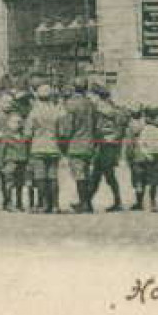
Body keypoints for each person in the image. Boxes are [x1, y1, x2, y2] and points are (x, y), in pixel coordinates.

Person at [25, 83, 65, 214]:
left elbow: (27, 133)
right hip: (53, 147)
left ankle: (44, 204)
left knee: (40, 177)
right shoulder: (57, 111)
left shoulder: (34, 112)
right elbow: (63, 131)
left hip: (38, 147)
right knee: (53, 177)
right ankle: (55, 205)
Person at [62, 77, 99, 214]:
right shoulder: (91, 104)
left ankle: (85, 203)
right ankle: (86, 202)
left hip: (76, 143)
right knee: (86, 173)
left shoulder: (72, 104)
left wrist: (64, 140)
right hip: (89, 143)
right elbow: (96, 124)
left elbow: (68, 127)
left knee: (79, 174)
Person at [88, 80, 126, 212]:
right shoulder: (111, 107)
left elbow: (100, 126)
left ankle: (117, 201)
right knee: (98, 174)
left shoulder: (102, 108)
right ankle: (87, 200)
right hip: (108, 144)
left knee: (106, 174)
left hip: (107, 143)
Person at [0, 90, 32, 212]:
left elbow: (27, 149)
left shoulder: (23, 136)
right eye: (14, 122)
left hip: (21, 162)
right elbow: (2, 150)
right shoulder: (6, 136)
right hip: (10, 162)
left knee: (19, 184)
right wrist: (1, 163)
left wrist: (27, 161)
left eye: (19, 122)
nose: (16, 124)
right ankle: (8, 203)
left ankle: (19, 203)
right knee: (8, 184)